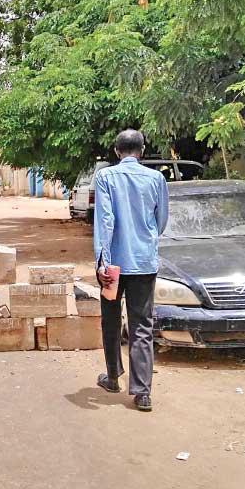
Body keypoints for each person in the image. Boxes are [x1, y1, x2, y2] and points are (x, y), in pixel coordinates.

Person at [93, 129, 169, 412]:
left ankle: (113, 377)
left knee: (111, 320)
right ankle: (142, 392)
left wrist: (102, 261)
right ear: (143, 150)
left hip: (112, 265)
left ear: (116, 151)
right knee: (142, 326)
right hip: (144, 262)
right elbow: (161, 220)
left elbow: (105, 220)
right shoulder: (156, 179)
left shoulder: (105, 177)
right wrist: (145, 239)